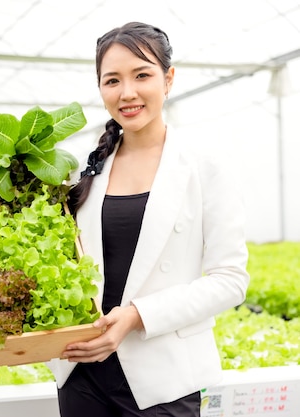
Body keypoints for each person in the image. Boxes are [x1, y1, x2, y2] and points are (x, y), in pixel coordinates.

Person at [50, 22, 250, 416]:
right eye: (112, 80)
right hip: (81, 373)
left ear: (168, 79)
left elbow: (231, 280)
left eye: (142, 75)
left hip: (164, 379)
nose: (127, 93)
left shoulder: (204, 166)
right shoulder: (81, 169)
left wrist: (138, 316)